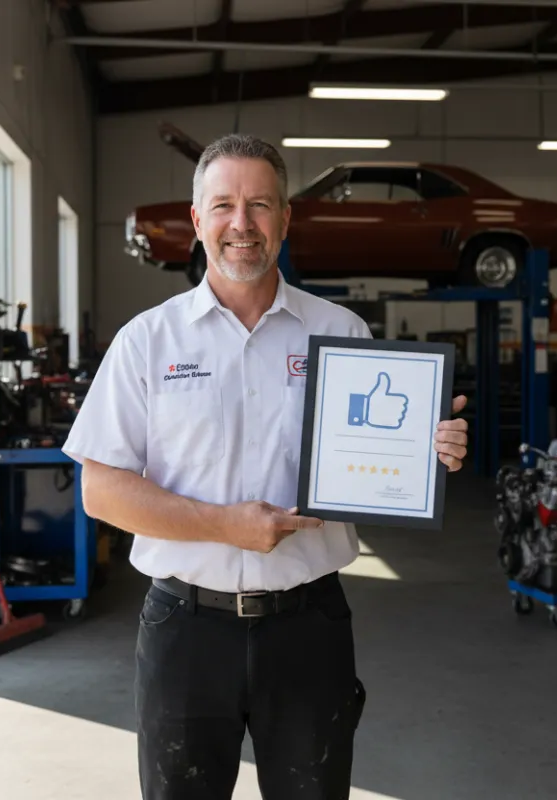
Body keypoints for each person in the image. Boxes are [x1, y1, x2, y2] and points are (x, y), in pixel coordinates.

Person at [62, 133, 470, 800]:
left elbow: (377, 457)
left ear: (286, 218)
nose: (242, 224)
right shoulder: (147, 341)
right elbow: (101, 491)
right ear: (198, 221)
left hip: (308, 628)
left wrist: (429, 449)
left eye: (260, 205)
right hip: (185, 632)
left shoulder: (341, 334)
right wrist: (227, 525)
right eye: (223, 205)